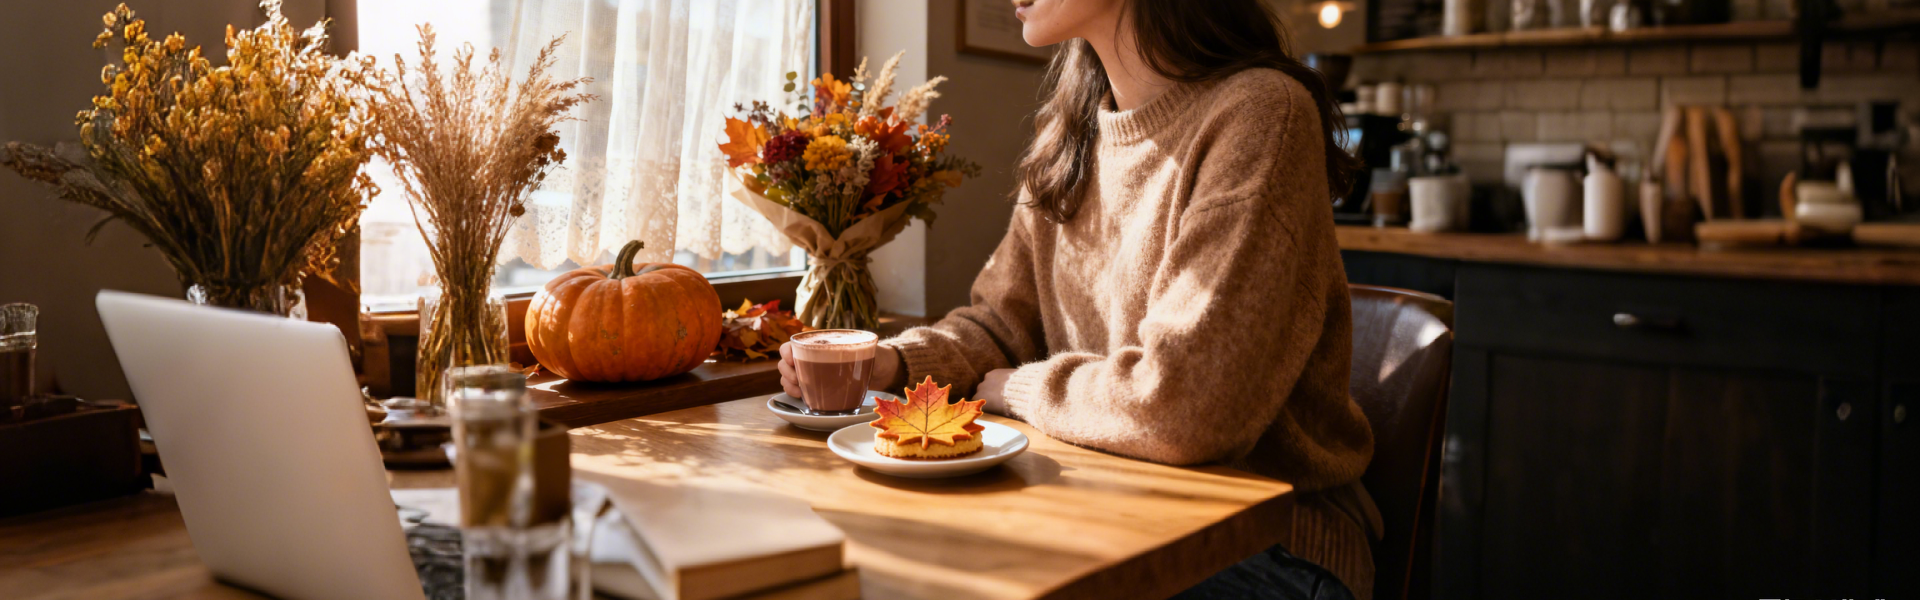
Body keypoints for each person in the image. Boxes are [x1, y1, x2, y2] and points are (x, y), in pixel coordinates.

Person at [779, 0, 1377, 597]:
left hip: (1269, 543)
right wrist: (894, 363)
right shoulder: (1068, 135)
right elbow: (1000, 324)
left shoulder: (1262, 114)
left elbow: (1185, 408)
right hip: (1106, 503)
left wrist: (1021, 388)